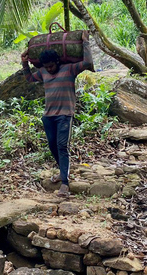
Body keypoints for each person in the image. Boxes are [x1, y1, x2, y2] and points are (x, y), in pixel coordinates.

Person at [20, 30, 93, 197]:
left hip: (65, 114)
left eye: (51, 66)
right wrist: (24, 64)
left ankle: (65, 184)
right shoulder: (44, 72)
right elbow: (30, 79)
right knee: (52, 145)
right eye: (46, 67)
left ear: (58, 61)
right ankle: (62, 172)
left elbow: (88, 62)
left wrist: (85, 42)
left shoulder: (70, 69)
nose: (49, 69)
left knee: (62, 146)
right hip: (48, 116)